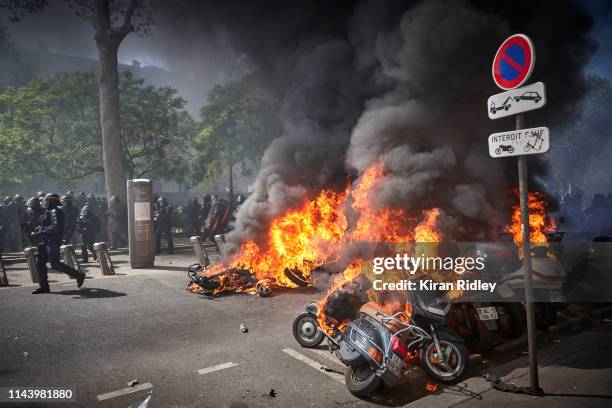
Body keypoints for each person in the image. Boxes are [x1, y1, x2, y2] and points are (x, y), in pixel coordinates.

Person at [31, 193, 86, 294]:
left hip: (53, 240)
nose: (45, 202)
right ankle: (44, 286)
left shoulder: (56, 210)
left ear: (52, 201)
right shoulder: (48, 211)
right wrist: (40, 229)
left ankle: (78, 275)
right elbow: (49, 225)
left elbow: (56, 227)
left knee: (55, 264)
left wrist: (41, 232)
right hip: (45, 240)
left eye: (47, 200)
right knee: (40, 263)